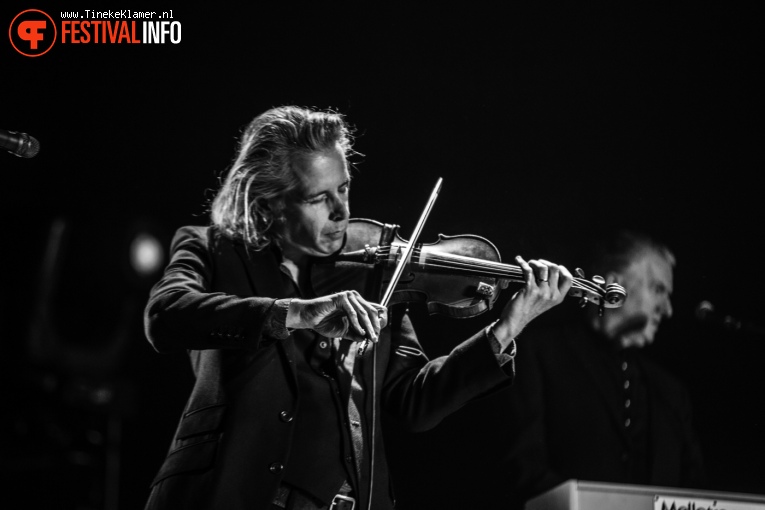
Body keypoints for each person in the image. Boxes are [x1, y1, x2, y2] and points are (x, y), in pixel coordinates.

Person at [142, 105, 573, 510]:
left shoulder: (371, 275)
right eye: (318, 198)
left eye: (344, 187)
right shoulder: (214, 249)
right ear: (272, 201)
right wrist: (295, 312)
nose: (342, 211)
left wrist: (508, 327)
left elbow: (414, 403)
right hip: (231, 492)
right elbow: (166, 314)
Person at [502, 230, 706, 508]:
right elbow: (524, 469)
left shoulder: (671, 391)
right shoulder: (539, 354)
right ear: (613, 285)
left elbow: (692, 487)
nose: (668, 309)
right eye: (658, 289)